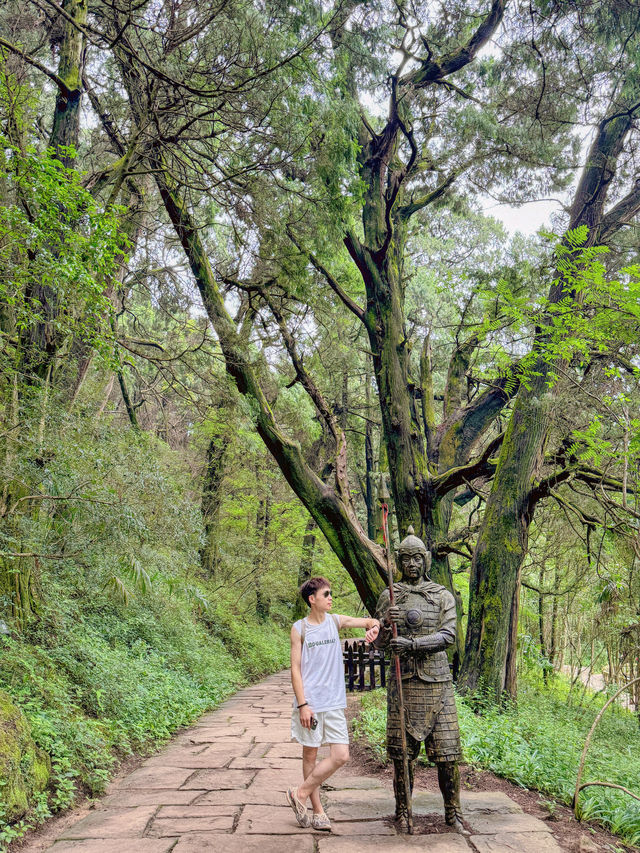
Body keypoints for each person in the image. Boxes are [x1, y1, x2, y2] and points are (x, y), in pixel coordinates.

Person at [374, 527, 464, 832]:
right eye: (406, 559)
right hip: (404, 681)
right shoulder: (390, 595)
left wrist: (412, 645)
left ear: (425, 560)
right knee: (402, 755)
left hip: (437, 682)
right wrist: (387, 625)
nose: (412, 564)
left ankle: (453, 812)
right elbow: (379, 643)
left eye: (417, 558)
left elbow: (448, 635)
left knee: (447, 752)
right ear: (399, 561)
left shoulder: (442, 596)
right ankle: (403, 810)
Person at [286, 576, 380, 831]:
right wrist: (303, 704)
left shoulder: (335, 621)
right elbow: (295, 669)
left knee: (341, 755)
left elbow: (369, 621)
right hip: (311, 704)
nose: (330, 598)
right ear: (312, 599)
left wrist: (374, 627)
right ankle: (317, 811)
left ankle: (300, 793)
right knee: (311, 754)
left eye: (330, 594)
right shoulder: (300, 629)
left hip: (335, 702)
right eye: (326, 594)